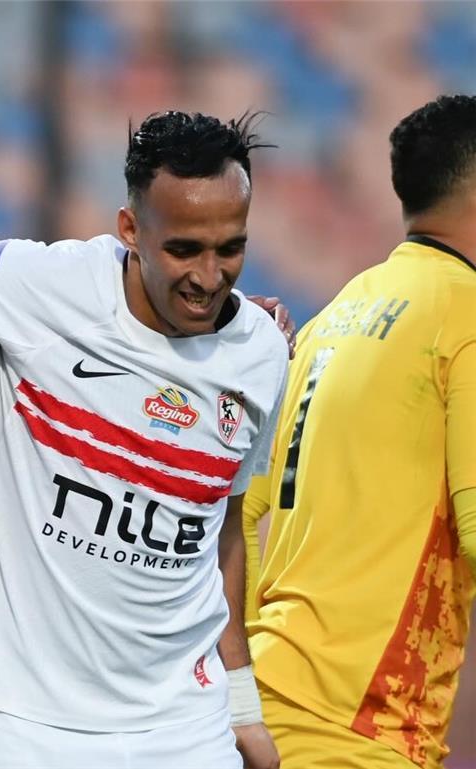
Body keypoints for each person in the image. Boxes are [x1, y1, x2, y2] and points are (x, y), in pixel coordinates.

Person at [0, 111, 289, 768]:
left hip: (185, 728)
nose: (209, 277)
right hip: (22, 723)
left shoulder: (261, 354)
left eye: (229, 248)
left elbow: (224, 530)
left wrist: (241, 705)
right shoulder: (39, 286)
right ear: (130, 230)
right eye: (183, 250)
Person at [243, 94, 476, 769]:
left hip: (266, 717)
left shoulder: (334, 317)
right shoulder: (464, 317)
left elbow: (242, 511)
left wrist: (248, 683)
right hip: (359, 733)